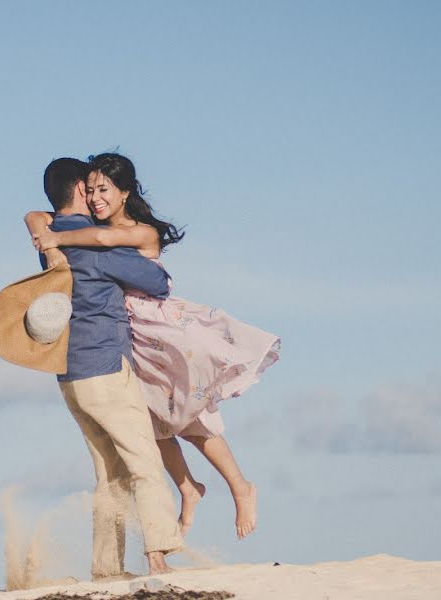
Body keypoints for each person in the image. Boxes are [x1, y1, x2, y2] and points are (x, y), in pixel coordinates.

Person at [28, 153, 280, 540]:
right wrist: (38, 224)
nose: (96, 198)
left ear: (125, 192)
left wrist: (55, 238)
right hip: (131, 337)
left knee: (192, 415)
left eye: (104, 190)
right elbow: (39, 215)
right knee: (152, 422)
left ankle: (240, 487)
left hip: (158, 328)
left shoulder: (135, 231)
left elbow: (102, 239)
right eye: (91, 190)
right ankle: (187, 488)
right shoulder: (91, 227)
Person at [28, 157, 184, 579]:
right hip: (105, 366)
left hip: (70, 373)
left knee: (110, 473)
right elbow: (158, 283)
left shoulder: (49, 240)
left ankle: (106, 567)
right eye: (91, 187)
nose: (97, 196)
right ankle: (159, 554)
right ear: (80, 190)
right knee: (144, 460)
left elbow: (38, 216)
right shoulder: (92, 248)